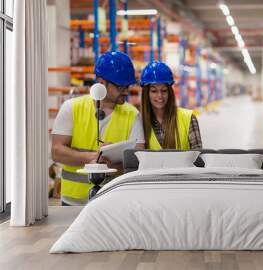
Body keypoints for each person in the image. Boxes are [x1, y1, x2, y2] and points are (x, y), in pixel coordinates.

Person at [51, 51, 145, 206]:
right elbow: (56, 152)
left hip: (113, 203)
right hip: (73, 203)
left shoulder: (132, 114)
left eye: (128, 86)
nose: (126, 91)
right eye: (121, 86)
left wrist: (114, 163)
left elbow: (138, 158)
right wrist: (93, 158)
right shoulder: (72, 108)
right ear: (101, 83)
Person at [140, 61, 202, 150]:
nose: (159, 96)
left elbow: (199, 158)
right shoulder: (139, 122)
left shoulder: (189, 118)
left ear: (170, 92)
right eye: (154, 91)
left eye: (164, 90)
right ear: (146, 94)